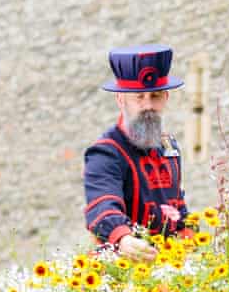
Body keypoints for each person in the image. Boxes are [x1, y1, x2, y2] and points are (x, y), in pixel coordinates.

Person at [83, 44, 193, 262]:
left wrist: (191, 238)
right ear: (120, 99)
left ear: (166, 98)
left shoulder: (169, 147)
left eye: (155, 96)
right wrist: (123, 239)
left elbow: (177, 206)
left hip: (169, 268)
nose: (148, 105)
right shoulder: (105, 153)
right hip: (123, 269)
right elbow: (102, 204)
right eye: (139, 97)